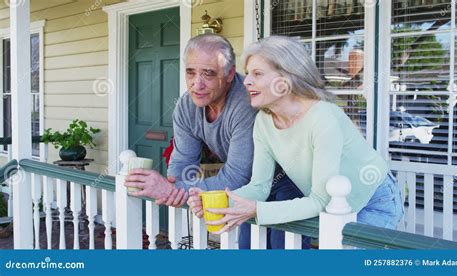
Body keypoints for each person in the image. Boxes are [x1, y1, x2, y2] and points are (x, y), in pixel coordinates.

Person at [187, 36, 404, 242]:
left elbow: (320, 200)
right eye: (248, 73)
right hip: (334, 205)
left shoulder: (323, 117)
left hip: (374, 200)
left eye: (258, 74)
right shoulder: (263, 121)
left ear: (286, 79)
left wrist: (256, 210)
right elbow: (259, 187)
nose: (247, 81)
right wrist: (216, 201)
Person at [124, 34, 312, 249]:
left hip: (291, 181)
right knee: (248, 249)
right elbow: (182, 164)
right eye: (190, 72)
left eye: (209, 74)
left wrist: (173, 191)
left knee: (284, 253)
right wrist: (174, 187)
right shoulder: (186, 106)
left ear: (229, 73)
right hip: (251, 189)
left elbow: (237, 175)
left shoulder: (247, 102)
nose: (197, 84)